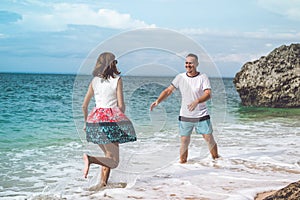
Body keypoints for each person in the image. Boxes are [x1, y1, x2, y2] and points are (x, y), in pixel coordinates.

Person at [150, 53, 219, 163]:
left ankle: (217, 161)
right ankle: (183, 164)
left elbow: (208, 94)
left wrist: (197, 101)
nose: (188, 65)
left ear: (196, 64)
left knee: (209, 139)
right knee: (184, 141)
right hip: (185, 116)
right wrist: (158, 101)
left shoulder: (203, 77)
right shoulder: (180, 77)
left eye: (190, 63)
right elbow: (168, 91)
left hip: (201, 115)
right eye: (186, 63)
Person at [82, 52, 136, 187]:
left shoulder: (94, 81)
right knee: (114, 161)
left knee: (108, 156)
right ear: (113, 64)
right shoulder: (117, 80)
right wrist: (121, 120)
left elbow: (84, 105)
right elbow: (121, 106)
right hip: (109, 123)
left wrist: (86, 123)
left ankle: (103, 185)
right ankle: (90, 159)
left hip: (93, 122)